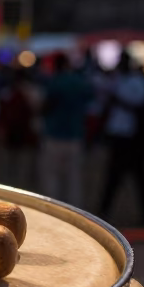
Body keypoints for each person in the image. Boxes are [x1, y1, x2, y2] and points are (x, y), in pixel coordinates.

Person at [97, 55, 144, 225]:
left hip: (133, 137)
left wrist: (118, 99)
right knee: (113, 176)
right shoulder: (118, 81)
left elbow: (140, 102)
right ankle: (104, 211)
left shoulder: (138, 82)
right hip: (119, 136)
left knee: (139, 177)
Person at [39, 54, 92, 206]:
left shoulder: (55, 82)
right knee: (74, 178)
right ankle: (74, 211)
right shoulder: (80, 82)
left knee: (52, 177)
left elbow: (46, 107)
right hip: (75, 134)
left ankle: (53, 208)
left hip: (54, 134)